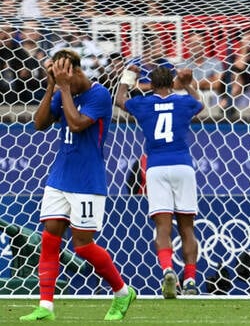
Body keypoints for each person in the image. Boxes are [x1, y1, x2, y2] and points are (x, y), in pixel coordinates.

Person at [20, 49, 135, 321]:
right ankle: (45, 306)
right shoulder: (61, 90)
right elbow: (39, 124)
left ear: (76, 71)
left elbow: (76, 124)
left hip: (87, 180)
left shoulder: (99, 95)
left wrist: (64, 89)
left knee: (82, 246)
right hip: (59, 176)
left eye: (63, 76)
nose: (61, 81)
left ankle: (121, 292)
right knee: (50, 238)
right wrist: (51, 86)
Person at [115, 65, 204, 298]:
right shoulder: (184, 102)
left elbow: (119, 99)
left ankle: (167, 270)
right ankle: (191, 281)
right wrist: (187, 85)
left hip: (155, 167)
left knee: (162, 227)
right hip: (182, 165)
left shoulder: (143, 104)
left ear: (152, 85)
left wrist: (128, 76)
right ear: (171, 83)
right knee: (187, 227)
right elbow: (201, 104)